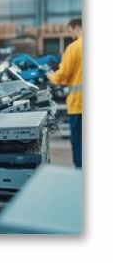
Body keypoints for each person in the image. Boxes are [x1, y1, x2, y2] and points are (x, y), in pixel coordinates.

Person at [47, 18, 82, 168]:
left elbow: (63, 74)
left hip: (79, 104)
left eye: (70, 31)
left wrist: (51, 76)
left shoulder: (75, 47)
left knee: (80, 142)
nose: (70, 34)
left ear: (76, 27)